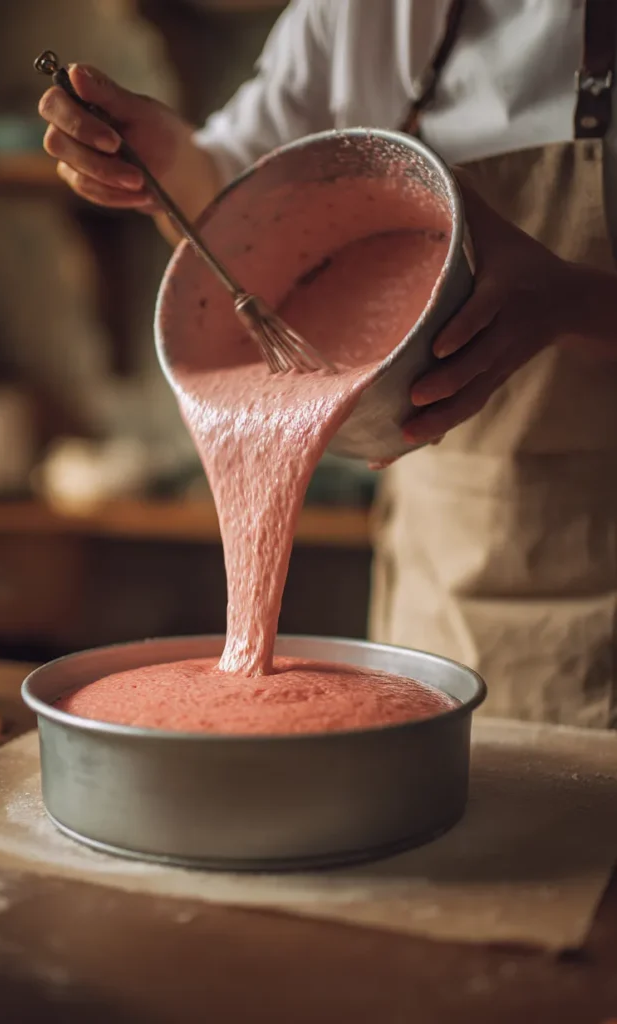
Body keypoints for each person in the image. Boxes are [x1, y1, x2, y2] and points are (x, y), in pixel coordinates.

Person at [39, 0, 617, 728]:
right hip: (451, 596)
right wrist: (171, 163)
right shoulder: (364, 15)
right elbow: (233, 201)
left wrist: (574, 302)